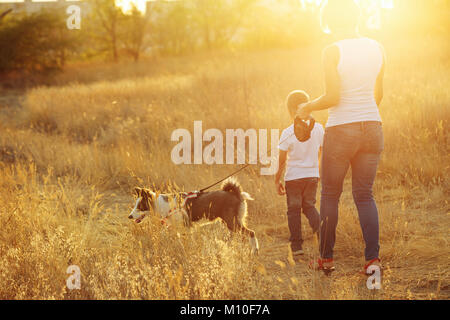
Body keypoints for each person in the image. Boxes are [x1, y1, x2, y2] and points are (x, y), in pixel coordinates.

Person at [297, 0, 386, 274]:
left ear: (330, 21)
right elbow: (378, 95)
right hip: (372, 126)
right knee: (364, 195)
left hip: (341, 129)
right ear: (356, 17)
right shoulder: (378, 47)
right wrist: (363, 118)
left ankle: (325, 259)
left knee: (330, 195)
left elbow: (334, 96)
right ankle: (372, 260)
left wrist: (307, 106)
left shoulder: (332, 50)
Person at [276, 90, 324, 257]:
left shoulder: (287, 132)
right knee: (309, 206)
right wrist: (315, 170)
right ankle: (323, 238)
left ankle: (297, 246)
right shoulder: (319, 128)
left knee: (294, 210)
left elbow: (282, 161)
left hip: (293, 178)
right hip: (312, 176)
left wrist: (277, 180)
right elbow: (321, 151)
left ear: (290, 110)